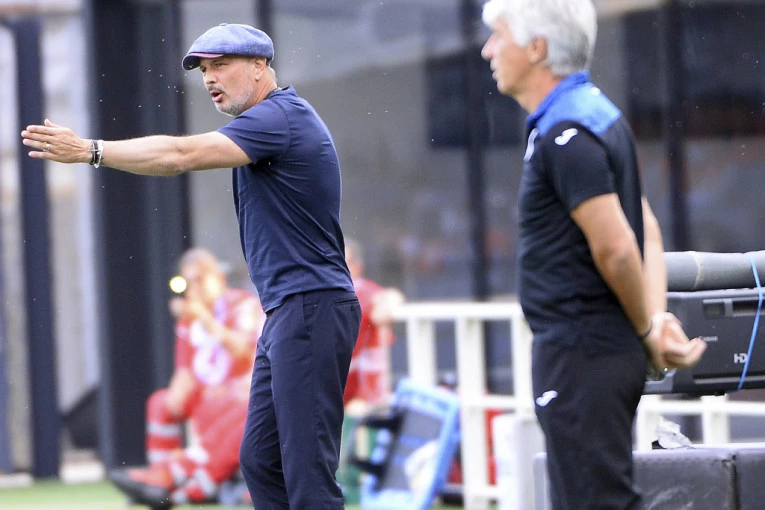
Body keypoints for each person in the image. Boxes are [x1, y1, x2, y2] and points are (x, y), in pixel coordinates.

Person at [21, 23, 361, 510]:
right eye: (203, 70)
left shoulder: (279, 117)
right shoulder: (269, 122)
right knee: (262, 461)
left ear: (260, 66)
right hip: (291, 311)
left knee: (306, 473)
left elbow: (180, 155)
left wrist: (92, 150)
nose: (209, 79)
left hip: (310, 308)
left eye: (221, 65)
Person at [480, 1, 707, 509]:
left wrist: (647, 329)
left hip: (582, 352)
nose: (488, 50)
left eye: (499, 35)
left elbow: (618, 247)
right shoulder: (595, 113)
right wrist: (652, 319)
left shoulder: (567, 132)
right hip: (597, 352)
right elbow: (645, 228)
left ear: (536, 48)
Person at [109, 247, 264, 507]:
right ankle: (160, 479)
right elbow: (185, 372)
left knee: (239, 405)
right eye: (188, 281)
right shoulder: (188, 320)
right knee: (161, 402)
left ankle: (173, 481)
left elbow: (244, 351)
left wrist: (205, 318)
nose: (195, 288)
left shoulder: (242, 305)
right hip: (206, 398)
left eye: (200, 279)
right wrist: (177, 393)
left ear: (218, 277)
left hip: (238, 397)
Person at [343, 238, 405, 410]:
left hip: (358, 401)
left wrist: (392, 299)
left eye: (343, 262)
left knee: (358, 410)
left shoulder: (361, 293)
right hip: (321, 396)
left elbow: (389, 299)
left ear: (357, 267)